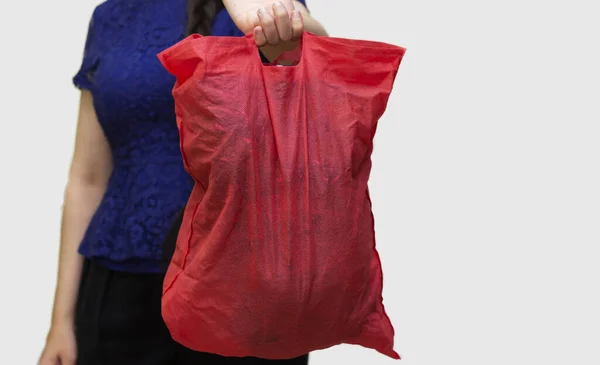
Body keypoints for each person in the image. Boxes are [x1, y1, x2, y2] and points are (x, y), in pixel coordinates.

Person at [38, 1, 327, 364]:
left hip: (247, 297)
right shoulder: (110, 17)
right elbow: (87, 179)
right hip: (119, 294)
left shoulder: (257, 6)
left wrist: (293, 36)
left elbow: (318, 71)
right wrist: (60, 324)